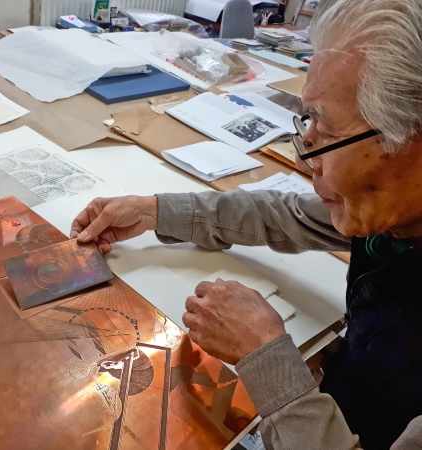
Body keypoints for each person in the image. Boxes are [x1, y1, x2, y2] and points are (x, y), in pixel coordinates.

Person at [70, 0, 422, 448]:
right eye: (307, 125)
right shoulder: (393, 214)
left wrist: (266, 358)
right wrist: (152, 210)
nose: (304, 158)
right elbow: (287, 214)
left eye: (327, 134)